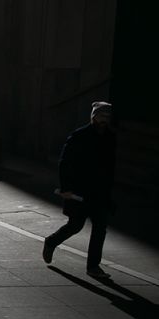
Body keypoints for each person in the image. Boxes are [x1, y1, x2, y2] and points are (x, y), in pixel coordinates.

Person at [42, 101, 118, 279]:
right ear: (93, 116)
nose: (104, 120)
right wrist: (66, 188)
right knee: (75, 225)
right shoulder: (79, 136)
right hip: (79, 191)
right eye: (101, 116)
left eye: (107, 117)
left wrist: (109, 192)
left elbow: (110, 166)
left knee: (100, 228)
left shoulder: (110, 137)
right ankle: (51, 241)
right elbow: (65, 163)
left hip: (99, 192)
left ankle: (93, 267)